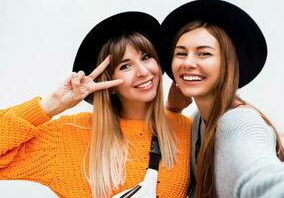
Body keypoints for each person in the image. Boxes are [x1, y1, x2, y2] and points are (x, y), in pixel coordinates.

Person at [0, 12, 191, 198]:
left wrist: (173, 111)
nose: (143, 71)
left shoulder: (183, 129)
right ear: (109, 82)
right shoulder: (68, 136)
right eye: (125, 66)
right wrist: (52, 105)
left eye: (146, 57)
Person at [162, 0, 284, 198]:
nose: (188, 62)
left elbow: (261, 175)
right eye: (181, 53)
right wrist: (172, 110)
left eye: (204, 53)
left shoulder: (240, 122)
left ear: (227, 63)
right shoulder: (196, 121)